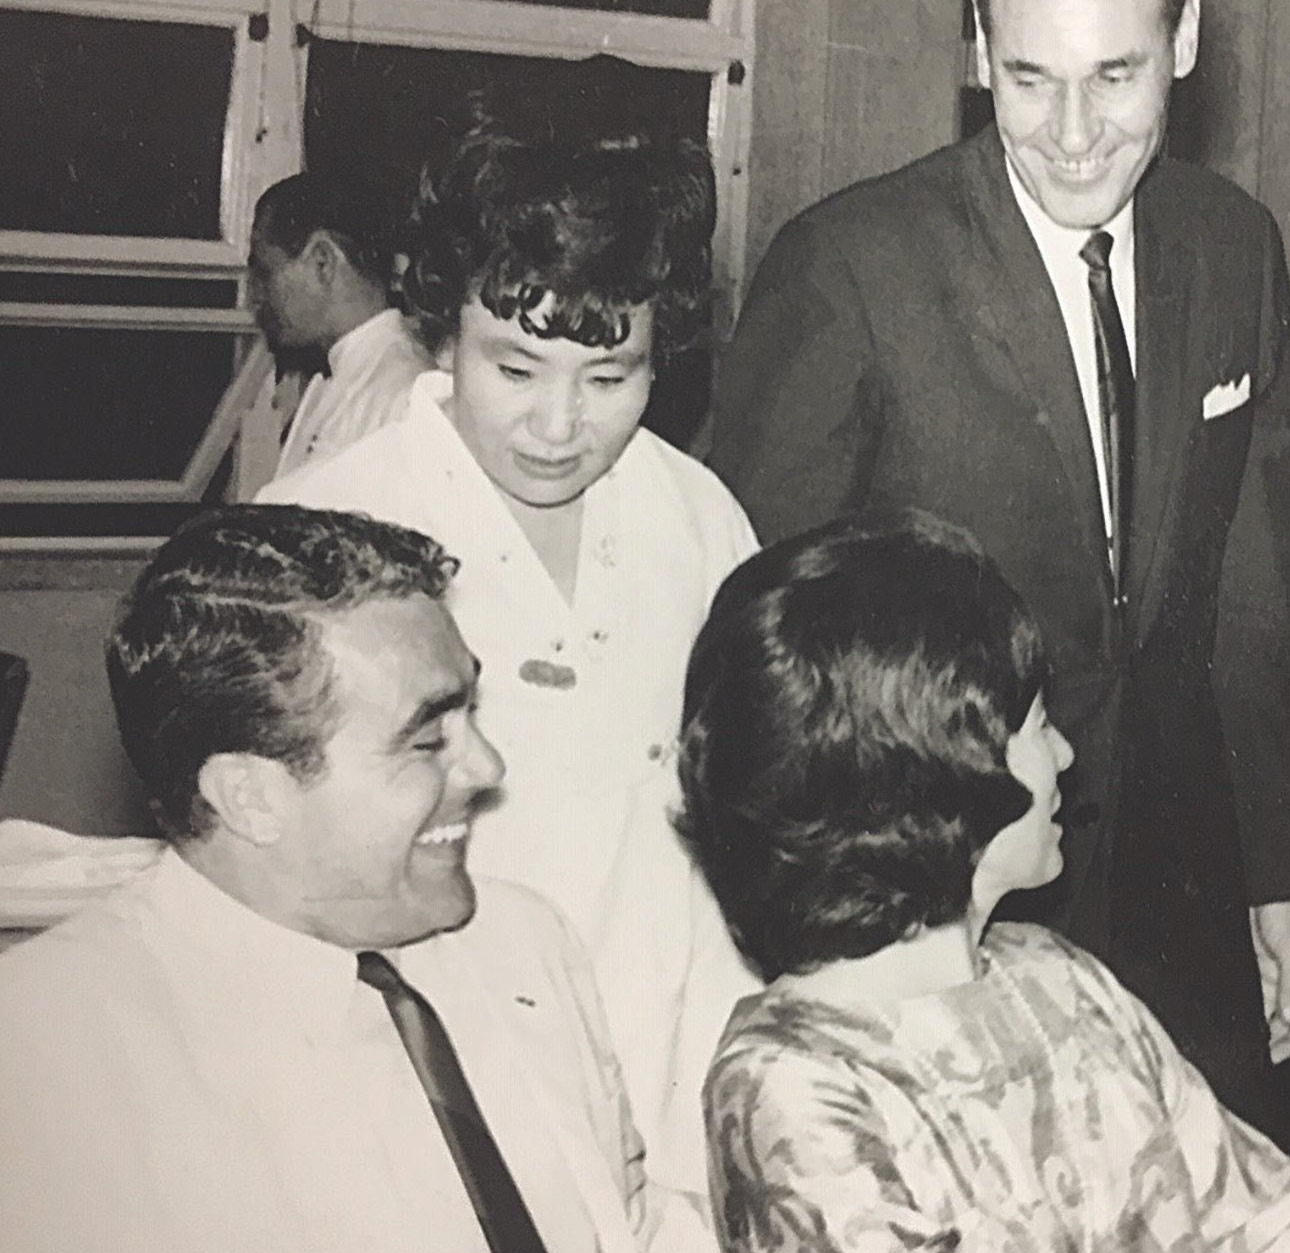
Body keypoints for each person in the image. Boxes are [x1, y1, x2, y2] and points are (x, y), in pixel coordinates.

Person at [708, 0, 1290, 1124]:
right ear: (978, 51)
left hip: (1179, 886)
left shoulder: (1233, 247)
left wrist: (1282, 874)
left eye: (1114, 76)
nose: (1068, 133)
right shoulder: (853, 264)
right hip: (938, 907)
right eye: (1028, 77)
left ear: (1186, 39)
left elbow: (1259, 600)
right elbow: (758, 648)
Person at [678, 511, 1290, 1253]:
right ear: (929, 778)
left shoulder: (1058, 980)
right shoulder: (792, 1083)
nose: (1065, 754)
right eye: (1035, 727)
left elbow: (1254, 1211)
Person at [261, 120, 760, 1233]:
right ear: (445, 330)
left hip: (678, 1078)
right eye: (514, 366)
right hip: (432, 1092)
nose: (556, 423)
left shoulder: (700, 518)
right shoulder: (323, 530)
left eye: (608, 373)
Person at [0, 505, 658, 1252]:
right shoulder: (46, 1061)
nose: (486, 768)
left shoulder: (524, 941)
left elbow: (634, 1223)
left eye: (473, 713)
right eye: (426, 740)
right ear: (251, 796)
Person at [248, 172, 431, 478]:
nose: (255, 296)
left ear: (323, 262)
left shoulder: (404, 394)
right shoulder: (334, 378)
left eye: (265, 273)